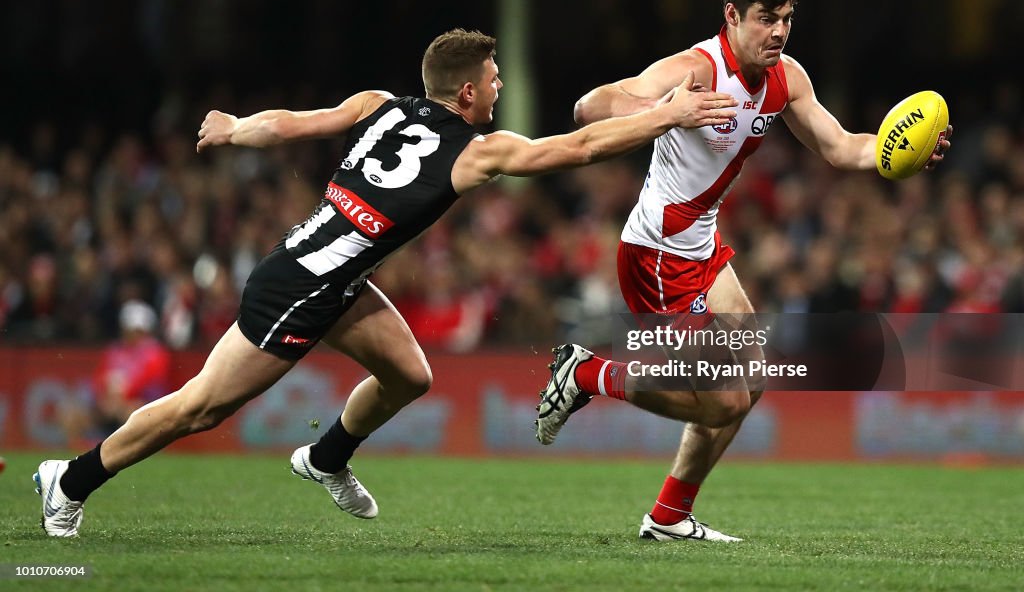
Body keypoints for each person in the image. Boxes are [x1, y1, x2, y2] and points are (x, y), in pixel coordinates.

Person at [35, 28, 740, 538]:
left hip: (332, 273)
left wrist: (235, 127)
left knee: (408, 375)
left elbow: (294, 125)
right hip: (304, 287)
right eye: (494, 78)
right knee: (200, 409)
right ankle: (69, 481)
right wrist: (667, 116)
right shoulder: (475, 152)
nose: (501, 87)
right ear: (467, 92)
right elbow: (579, 146)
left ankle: (325, 456)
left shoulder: (381, 104)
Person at [534, 0, 952, 542]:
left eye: (786, 18)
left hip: (701, 250)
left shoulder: (787, 78)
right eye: (765, 17)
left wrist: (896, 152)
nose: (778, 31)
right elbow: (590, 107)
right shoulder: (697, 69)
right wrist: (668, 110)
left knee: (753, 379)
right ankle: (589, 376)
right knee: (723, 402)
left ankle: (669, 517)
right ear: (731, 14)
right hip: (657, 254)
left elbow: (840, 148)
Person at [60, 301, 171, 447]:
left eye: (135, 329)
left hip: (139, 404)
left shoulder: (155, 353)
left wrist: (122, 399)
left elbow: (148, 383)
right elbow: (99, 378)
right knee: (71, 413)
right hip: (108, 404)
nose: (130, 333)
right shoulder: (114, 350)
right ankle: (79, 456)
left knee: (133, 412)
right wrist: (104, 398)